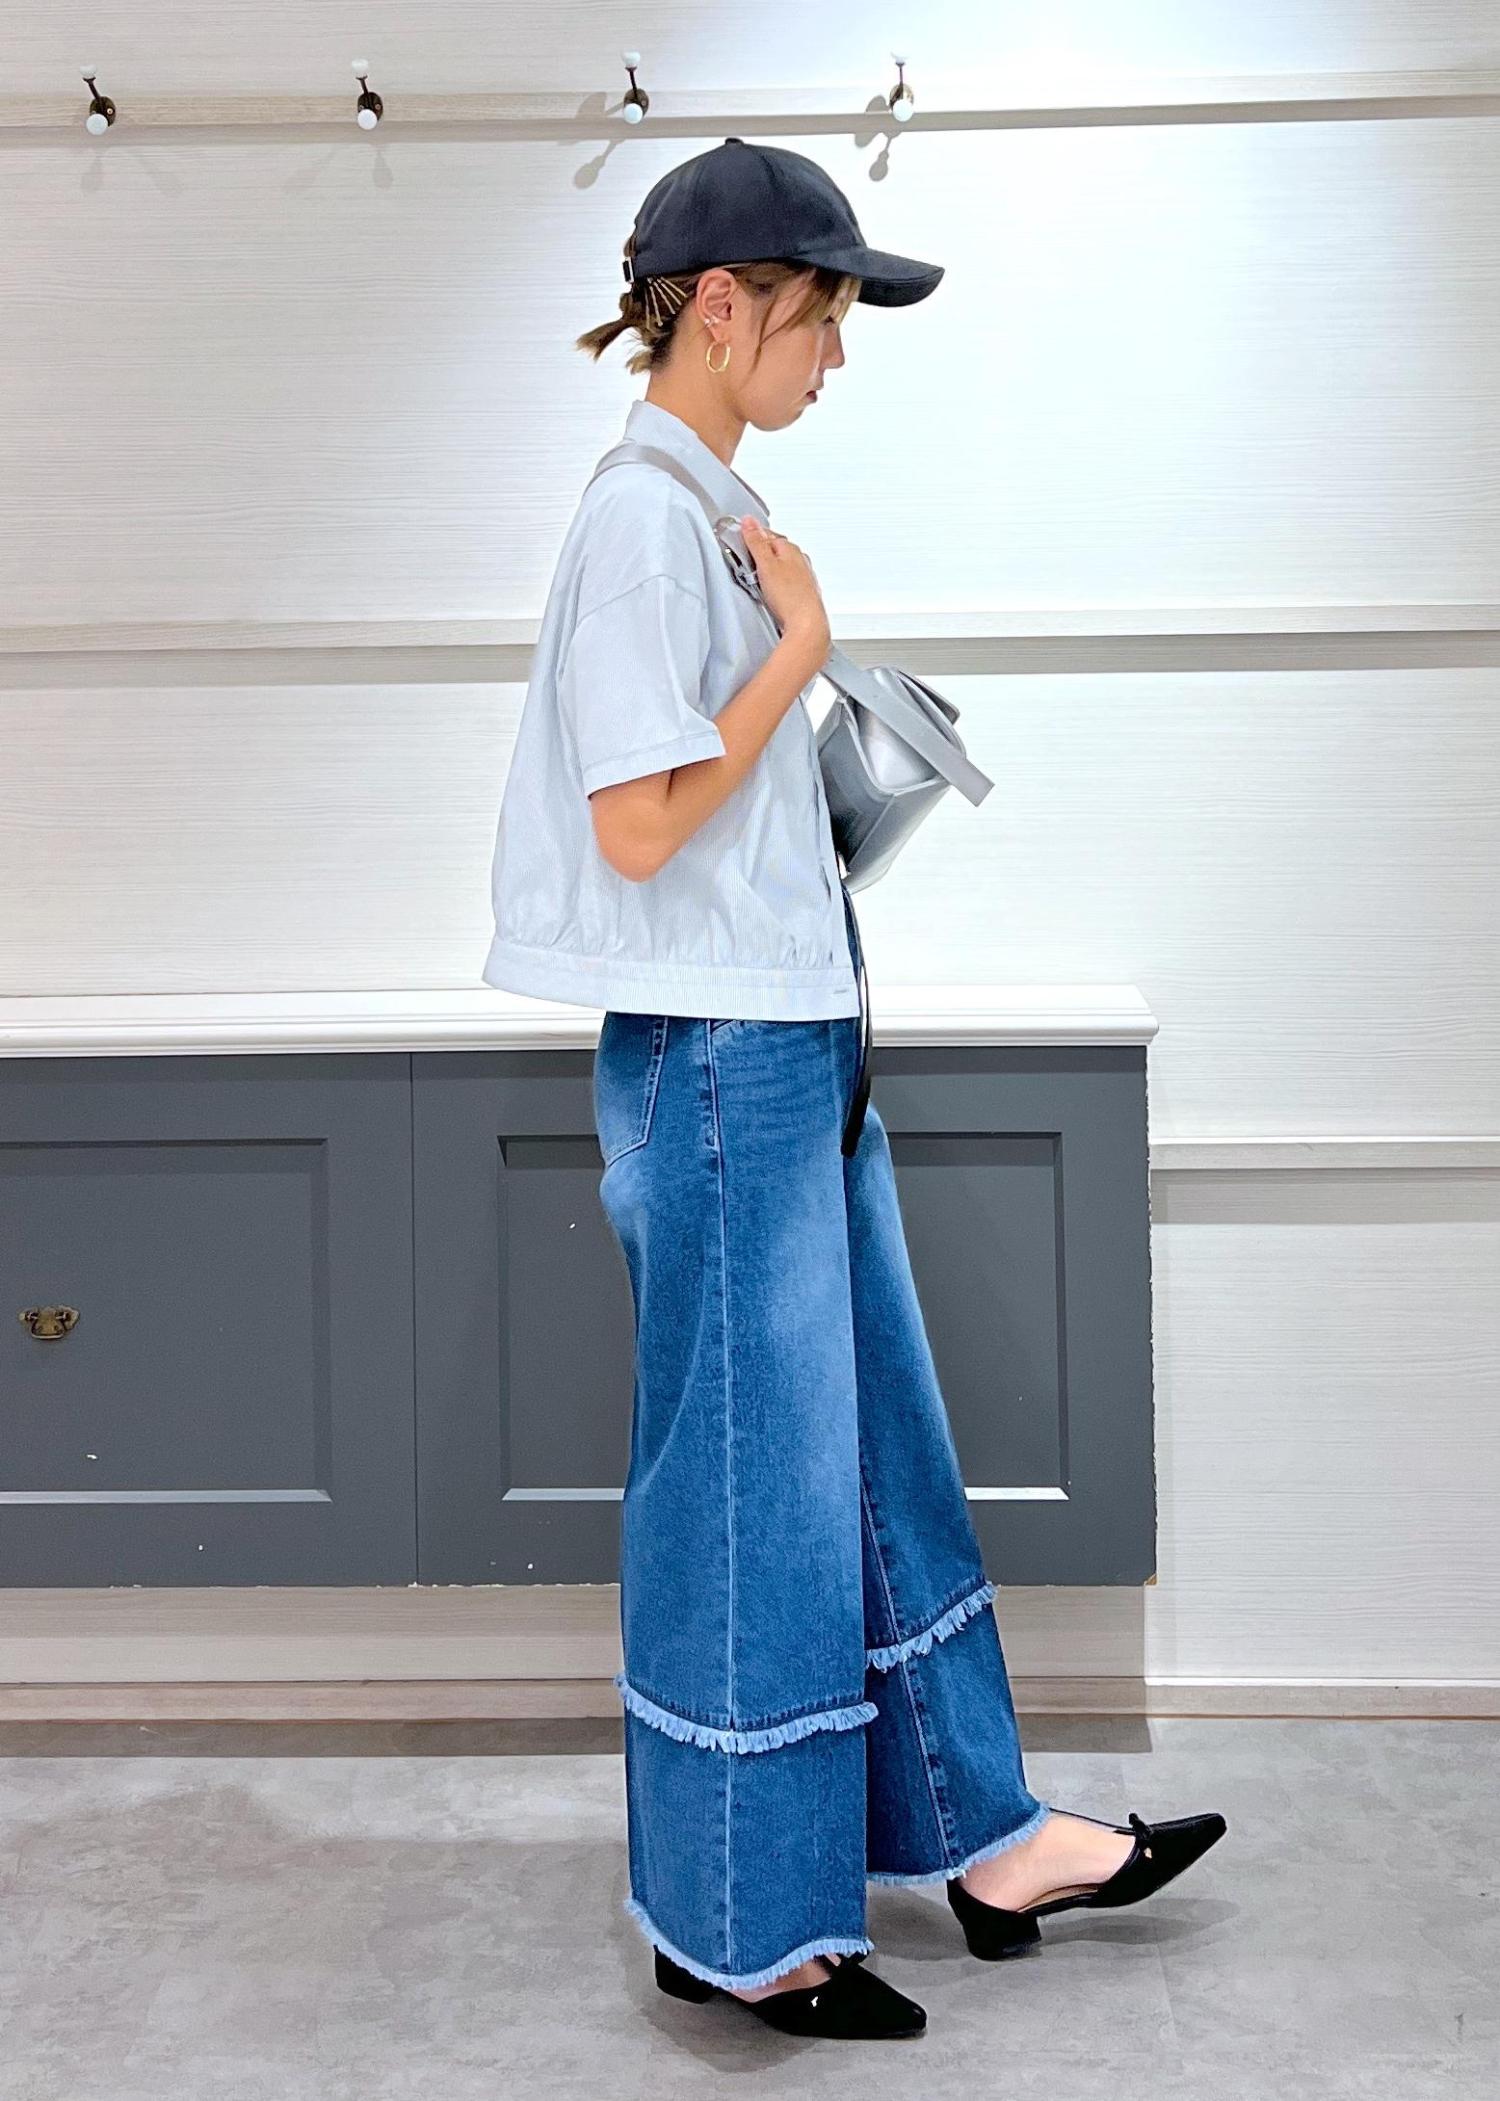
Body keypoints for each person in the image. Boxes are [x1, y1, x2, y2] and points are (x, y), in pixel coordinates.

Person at [482, 137, 1226, 2043]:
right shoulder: (646, 524)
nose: (837, 354)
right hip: (724, 1058)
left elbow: (705, 817)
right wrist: (804, 650)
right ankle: (742, 1918)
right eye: (823, 315)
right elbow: (638, 824)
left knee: (877, 1448)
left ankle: (989, 1834)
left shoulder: (706, 509)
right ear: (725, 307)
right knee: (754, 1488)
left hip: (788, 1041)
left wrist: (834, 781)